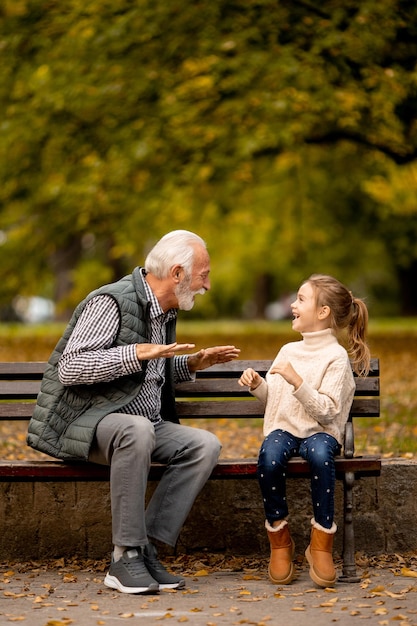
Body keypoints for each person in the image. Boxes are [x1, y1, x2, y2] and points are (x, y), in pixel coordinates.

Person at [27, 230, 240, 595]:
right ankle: (123, 557)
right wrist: (137, 352)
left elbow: (144, 376)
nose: (207, 284)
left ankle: (145, 549)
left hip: (142, 424)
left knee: (203, 445)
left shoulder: (163, 310)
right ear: (177, 273)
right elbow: (71, 368)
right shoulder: (110, 302)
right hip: (89, 423)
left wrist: (191, 363)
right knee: (137, 429)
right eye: (203, 274)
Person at [238, 274, 370, 588]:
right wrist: (258, 386)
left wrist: (298, 381)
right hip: (285, 428)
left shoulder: (335, 357)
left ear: (322, 312)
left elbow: (327, 411)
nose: (293, 305)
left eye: (300, 299)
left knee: (322, 456)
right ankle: (280, 540)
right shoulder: (287, 351)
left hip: (320, 431)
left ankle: (321, 543)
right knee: (269, 457)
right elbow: (277, 402)